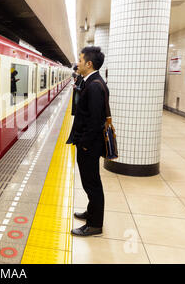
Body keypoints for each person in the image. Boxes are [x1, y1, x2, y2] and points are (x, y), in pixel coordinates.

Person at [69, 46, 108, 237]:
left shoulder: (94, 86)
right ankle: (91, 213)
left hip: (89, 146)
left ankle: (94, 225)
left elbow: (94, 121)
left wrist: (83, 143)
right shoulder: (93, 82)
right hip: (89, 144)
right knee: (90, 182)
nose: (78, 63)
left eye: (80, 59)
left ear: (89, 63)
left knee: (92, 184)